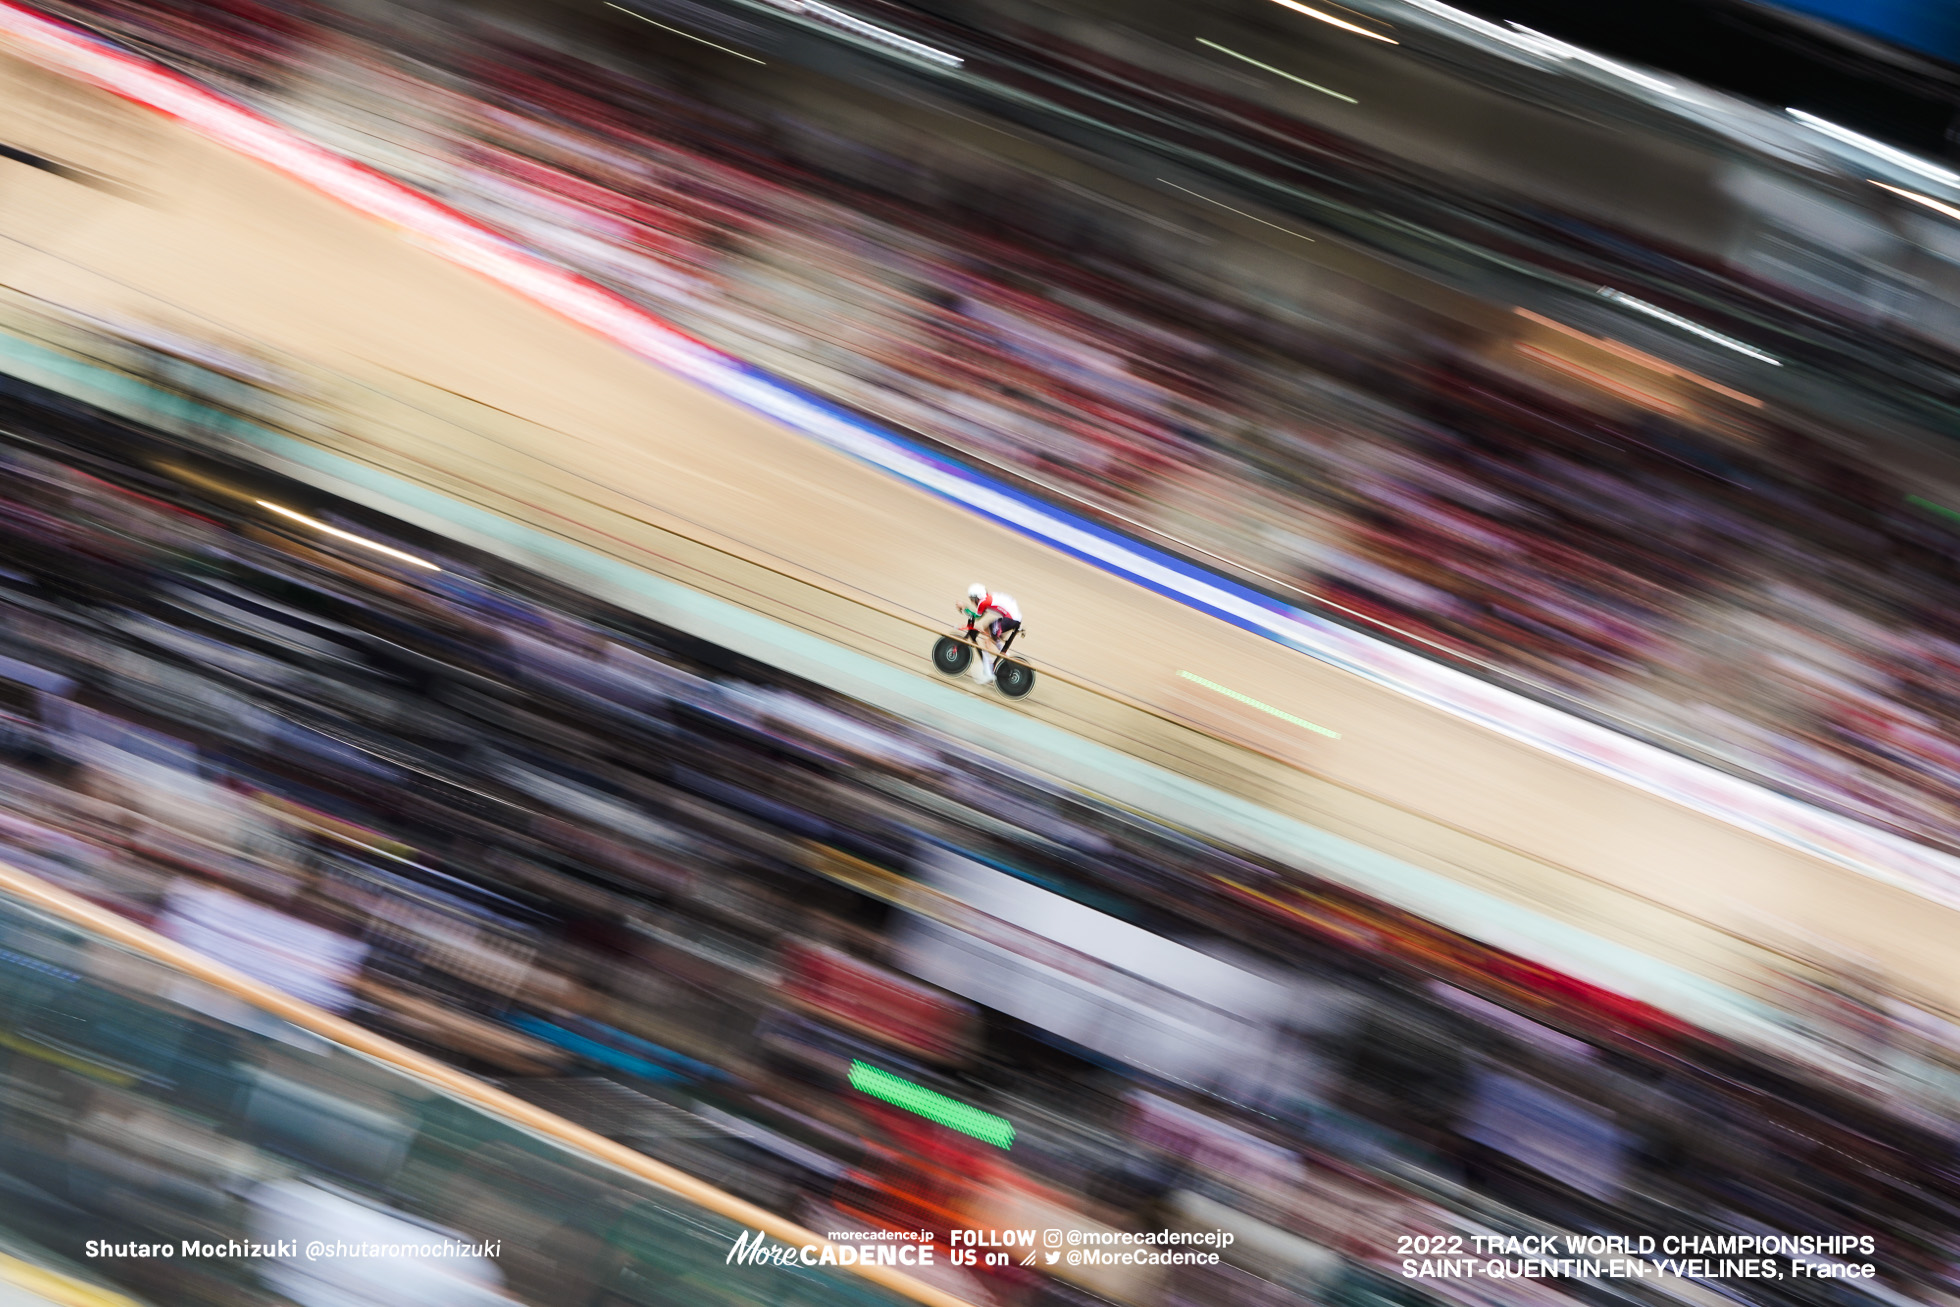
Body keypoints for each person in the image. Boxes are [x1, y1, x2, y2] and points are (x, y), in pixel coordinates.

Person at [964, 583, 1021, 684]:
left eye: (972, 599)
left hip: (1011, 619)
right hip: (1012, 618)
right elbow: (981, 615)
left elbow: (976, 617)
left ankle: (993, 665)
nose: (972, 602)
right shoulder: (986, 599)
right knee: (987, 629)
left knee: (990, 639)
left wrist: (964, 608)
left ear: (977, 597)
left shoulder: (983, 602)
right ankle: (998, 655)